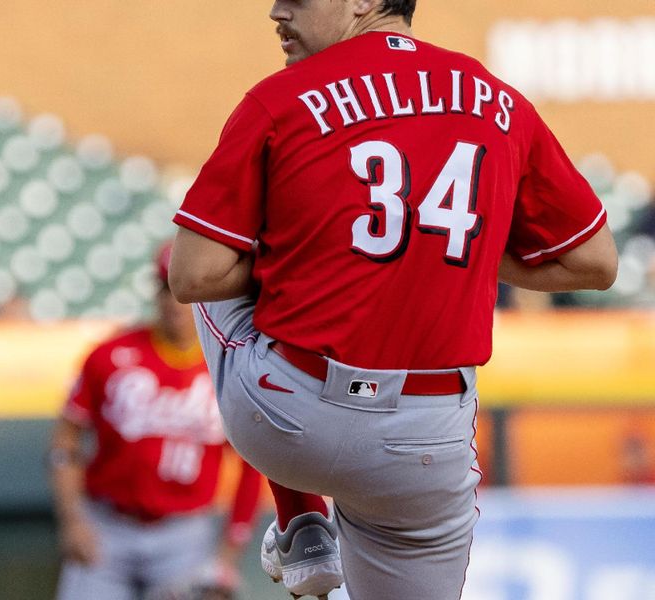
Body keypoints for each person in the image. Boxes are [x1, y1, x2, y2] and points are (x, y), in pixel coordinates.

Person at [168, 1, 618, 599]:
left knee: (225, 252)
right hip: (428, 439)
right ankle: (302, 515)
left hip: (293, 414)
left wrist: (310, 256)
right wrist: (459, 252)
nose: (277, 11)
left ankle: (301, 517)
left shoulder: (281, 97)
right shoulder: (499, 101)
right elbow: (595, 261)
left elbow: (192, 276)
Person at [49, 243, 262, 600]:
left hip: (184, 534)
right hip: (106, 527)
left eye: (180, 289)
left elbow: (251, 466)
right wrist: (72, 519)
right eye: (165, 287)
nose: (173, 301)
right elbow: (64, 443)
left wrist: (228, 553)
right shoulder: (110, 356)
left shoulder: (229, 364)